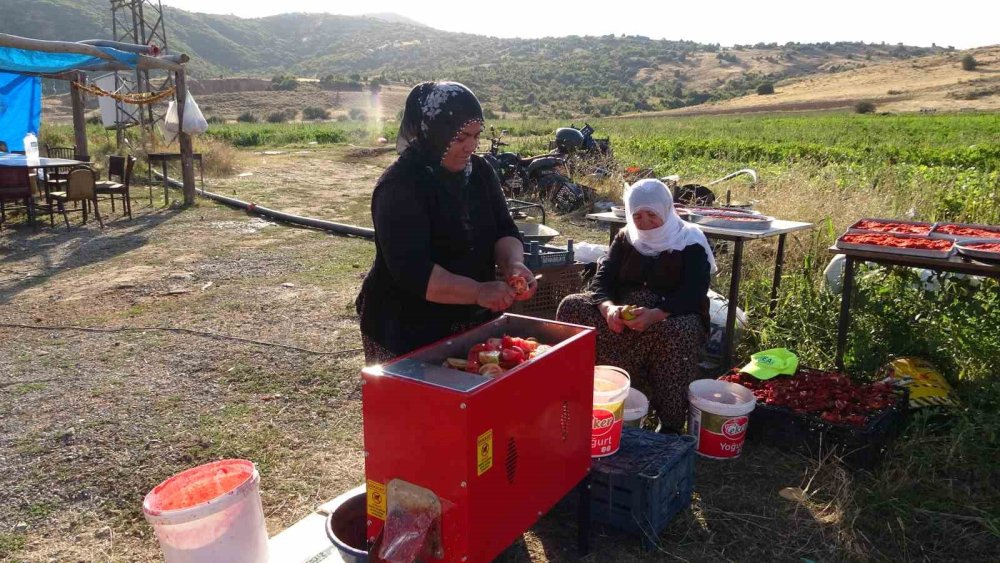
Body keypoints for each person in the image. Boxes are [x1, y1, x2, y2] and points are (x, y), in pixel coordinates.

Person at [356, 81, 537, 365]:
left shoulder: (480, 172)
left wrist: (513, 264)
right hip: (407, 326)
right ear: (434, 133)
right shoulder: (400, 185)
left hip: (470, 320)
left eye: (476, 136)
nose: (471, 146)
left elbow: (505, 229)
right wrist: (478, 292)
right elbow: (414, 272)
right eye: (461, 137)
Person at [556, 179, 717, 432]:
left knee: (681, 330)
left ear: (666, 210)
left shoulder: (689, 242)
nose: (644, 222)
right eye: (637, 215)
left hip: (670, 318)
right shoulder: (626, 237)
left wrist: (656, 314)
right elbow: (602, 279)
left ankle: (670, 425)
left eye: (652, 214)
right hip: (623, 317)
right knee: (572, 306)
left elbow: (693, 293)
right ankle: (580, 400)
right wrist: (608, 308)